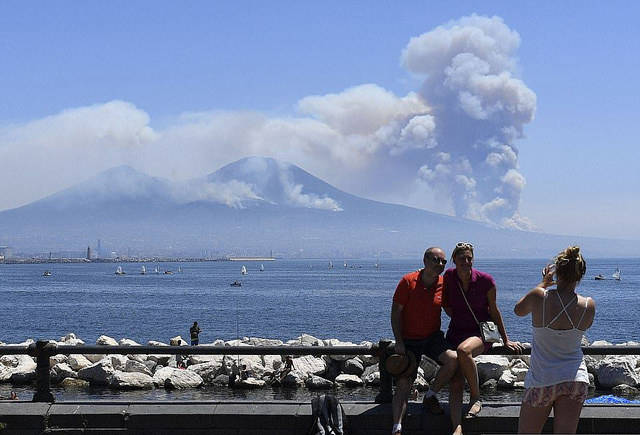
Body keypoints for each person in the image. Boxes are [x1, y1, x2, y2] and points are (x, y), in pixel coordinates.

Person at [515, 246, 595, 434]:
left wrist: (543, 283)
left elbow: (518, 311)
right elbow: (585, 327)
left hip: (542, 378)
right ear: (580, 275)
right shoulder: (588, 305)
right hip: (574, 378)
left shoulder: (539, 296)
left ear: (556, 272)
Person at [442, 242, 523, 419]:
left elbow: (494, 311)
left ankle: (476, 398)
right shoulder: (449, 276)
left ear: (473, 259)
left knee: (464, 351)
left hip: (481, 333)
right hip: (456, 332)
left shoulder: (486, 281)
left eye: (469, 258)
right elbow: (445, 303)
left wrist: (505, 339)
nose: (466, 261)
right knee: (456, 381)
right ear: (454, 259)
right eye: (462, 258)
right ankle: (456, 426)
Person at [391, 247, 464, 435]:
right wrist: (399, 341)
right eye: (435, 260)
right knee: (404, 383)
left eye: (443, 262)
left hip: (432, 337)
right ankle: (397, 427)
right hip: (409, 339)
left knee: (454, 359)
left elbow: (450, 310)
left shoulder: (443, 283)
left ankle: (430, 395)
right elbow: (396, 312)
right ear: (425, 260)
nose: (440, 264)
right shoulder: (408, 281)